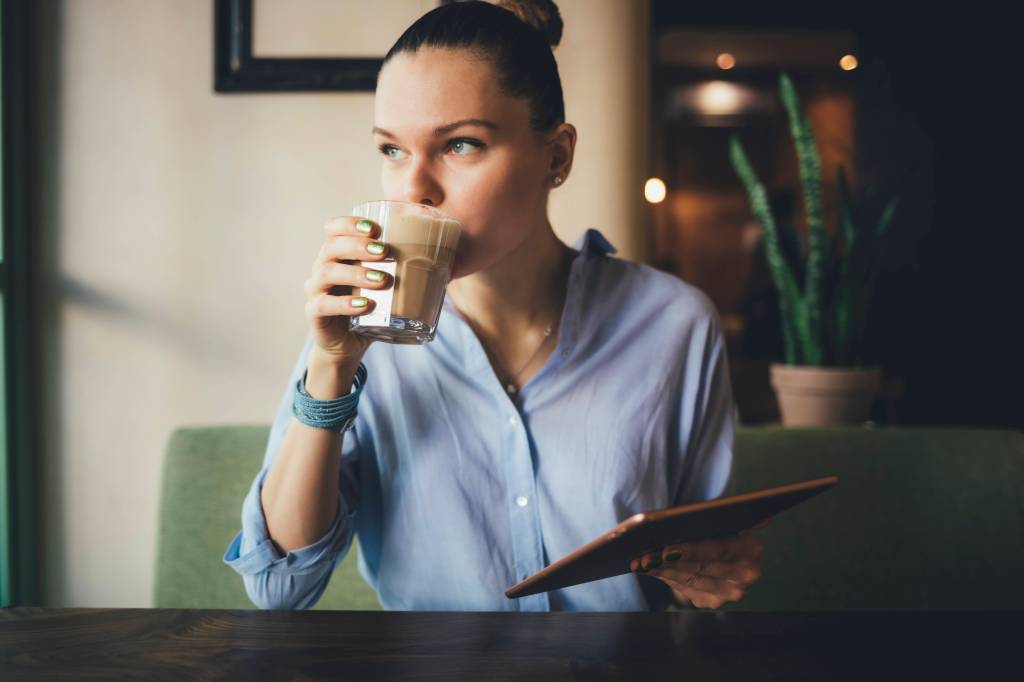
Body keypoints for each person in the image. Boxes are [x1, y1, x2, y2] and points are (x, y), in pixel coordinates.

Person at [223, 0, 764, 612]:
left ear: (556, 157)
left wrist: (714, 572)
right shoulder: (357, 338)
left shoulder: (674, 324)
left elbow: (706, 560)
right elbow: (280, 588)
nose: (414, 188)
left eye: (460, 144)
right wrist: (330, 369)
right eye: (392, 150)